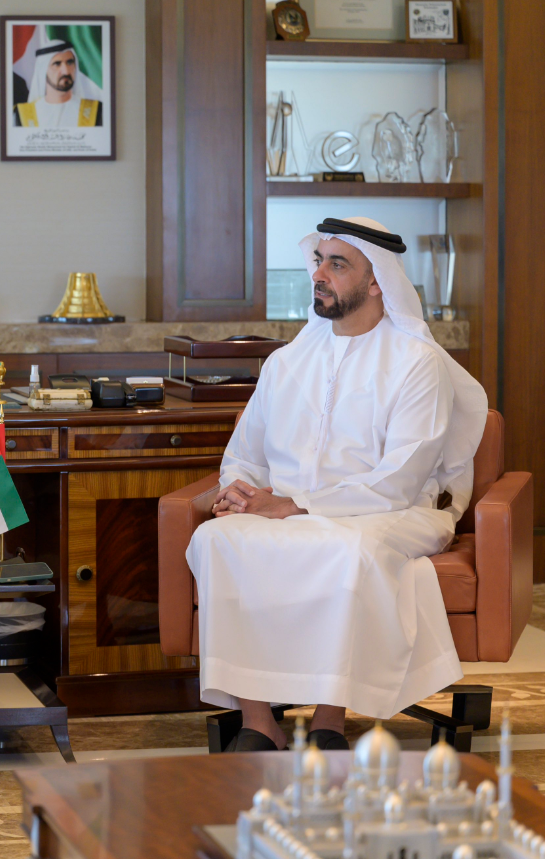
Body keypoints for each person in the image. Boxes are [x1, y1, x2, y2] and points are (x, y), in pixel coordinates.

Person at [184, 217, 488, 753]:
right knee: (215, 540)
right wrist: (240, 491)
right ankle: (258, 722)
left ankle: (330, 721)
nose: (319, 274)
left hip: (391, 513)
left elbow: (399, 481)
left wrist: (292, 505)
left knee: (348, 550)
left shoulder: (417, 363)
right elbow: (245, 454)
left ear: (377, 282)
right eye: (318, 261)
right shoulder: (286, 362)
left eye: (337, 264)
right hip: (285, 510)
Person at [15, 39, 103, 128]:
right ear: (43, 70)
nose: (66, 71)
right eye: (57, 64)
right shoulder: (21, 116)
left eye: (69, 62)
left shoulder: (97, 112)